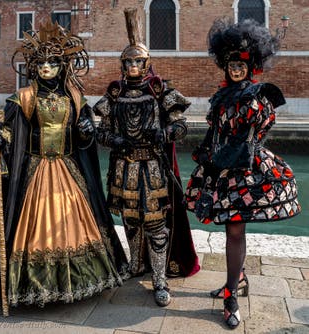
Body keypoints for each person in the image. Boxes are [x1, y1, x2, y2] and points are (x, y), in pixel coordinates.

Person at [0, 19, 129, 307]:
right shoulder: (24, 98)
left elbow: (83, 138)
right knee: (32, 224)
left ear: (61, 66)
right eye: (41, 63)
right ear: (33, 67)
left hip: (68, 170)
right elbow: (9, 131)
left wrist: (85, 132)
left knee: (74, 222)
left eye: (52, 63)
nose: (46, 68)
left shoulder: (75, 98)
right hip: (35, 169)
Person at [185, 17, 301, 329]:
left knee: (235, 230)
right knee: (229, 227)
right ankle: (238, 279)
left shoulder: (258, 95)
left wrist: (241, 144)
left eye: (241, 65)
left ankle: (231, 296)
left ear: (251, 67)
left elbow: (258, 130)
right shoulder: (221, 97)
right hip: (221, 170)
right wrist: (207, 160)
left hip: (247, 171)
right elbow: (215, 133)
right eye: (231, 65)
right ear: (225, 66)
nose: (236, 69)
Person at [94, 8, 200, 307]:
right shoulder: (114, 94)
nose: (132, 66)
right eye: (128, 61)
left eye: (138, 61)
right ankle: (135, 264)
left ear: (146, 63)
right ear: (122, 64)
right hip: (123, 167)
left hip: (153, 167)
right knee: (130, 219)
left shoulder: (159, 90)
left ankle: (160, 277)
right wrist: (113, 139)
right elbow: (102, 131)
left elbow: (180, 124)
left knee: (155, 223)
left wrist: (164, 134)